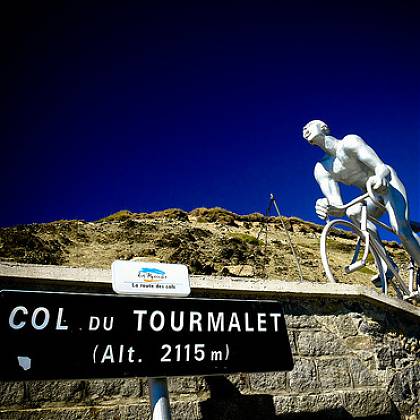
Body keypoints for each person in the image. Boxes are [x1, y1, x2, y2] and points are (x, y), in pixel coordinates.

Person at [302, 119, 420, 283]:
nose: (305, 128)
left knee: (401, 230)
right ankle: (386, 264)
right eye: (304, 128)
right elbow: (339, 207)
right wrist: (325, 205)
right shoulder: (322, 168)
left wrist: (379, 177)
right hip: (369, 194)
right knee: (353, 212)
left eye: (309, 125)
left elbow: (381, 167)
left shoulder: (349, 142)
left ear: (324, 128)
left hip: (386, 182)